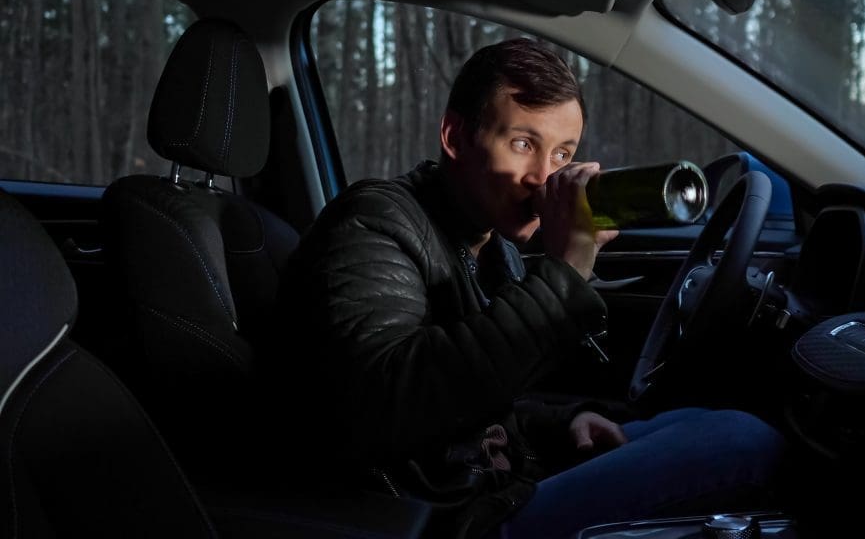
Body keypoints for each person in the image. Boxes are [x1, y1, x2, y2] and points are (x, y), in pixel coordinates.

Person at [281, 38, 786, 538]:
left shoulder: (490, 245)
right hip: (446, 517)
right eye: (523, 144)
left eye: (563, 153)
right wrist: (566, 271)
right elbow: (390, 400)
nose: (544, 178)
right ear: (455, 137)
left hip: (488, 482)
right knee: (744, 443)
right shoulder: (373, 221)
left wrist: (563, 422)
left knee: (699, 420)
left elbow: (483, 395)